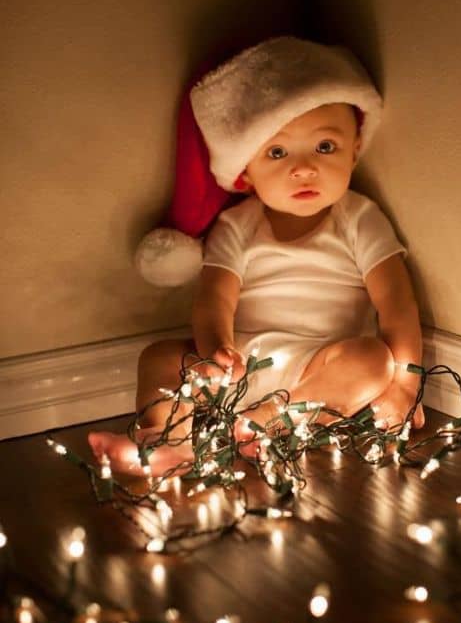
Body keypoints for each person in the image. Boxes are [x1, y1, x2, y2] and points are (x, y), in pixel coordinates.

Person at [88, 36, 424, 476]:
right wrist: (216, 353)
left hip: (320, 372)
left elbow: (396, 305)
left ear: (355, 148)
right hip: (241, 366)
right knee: (160, 358)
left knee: (374, 360)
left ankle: (270, 421)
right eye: (278, 152)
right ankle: (169, 442)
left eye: (325, 147)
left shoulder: (360, 219)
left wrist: (405, 385)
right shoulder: (237, 227)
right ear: (246, 170)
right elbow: (215, 300)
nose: (303, 168)